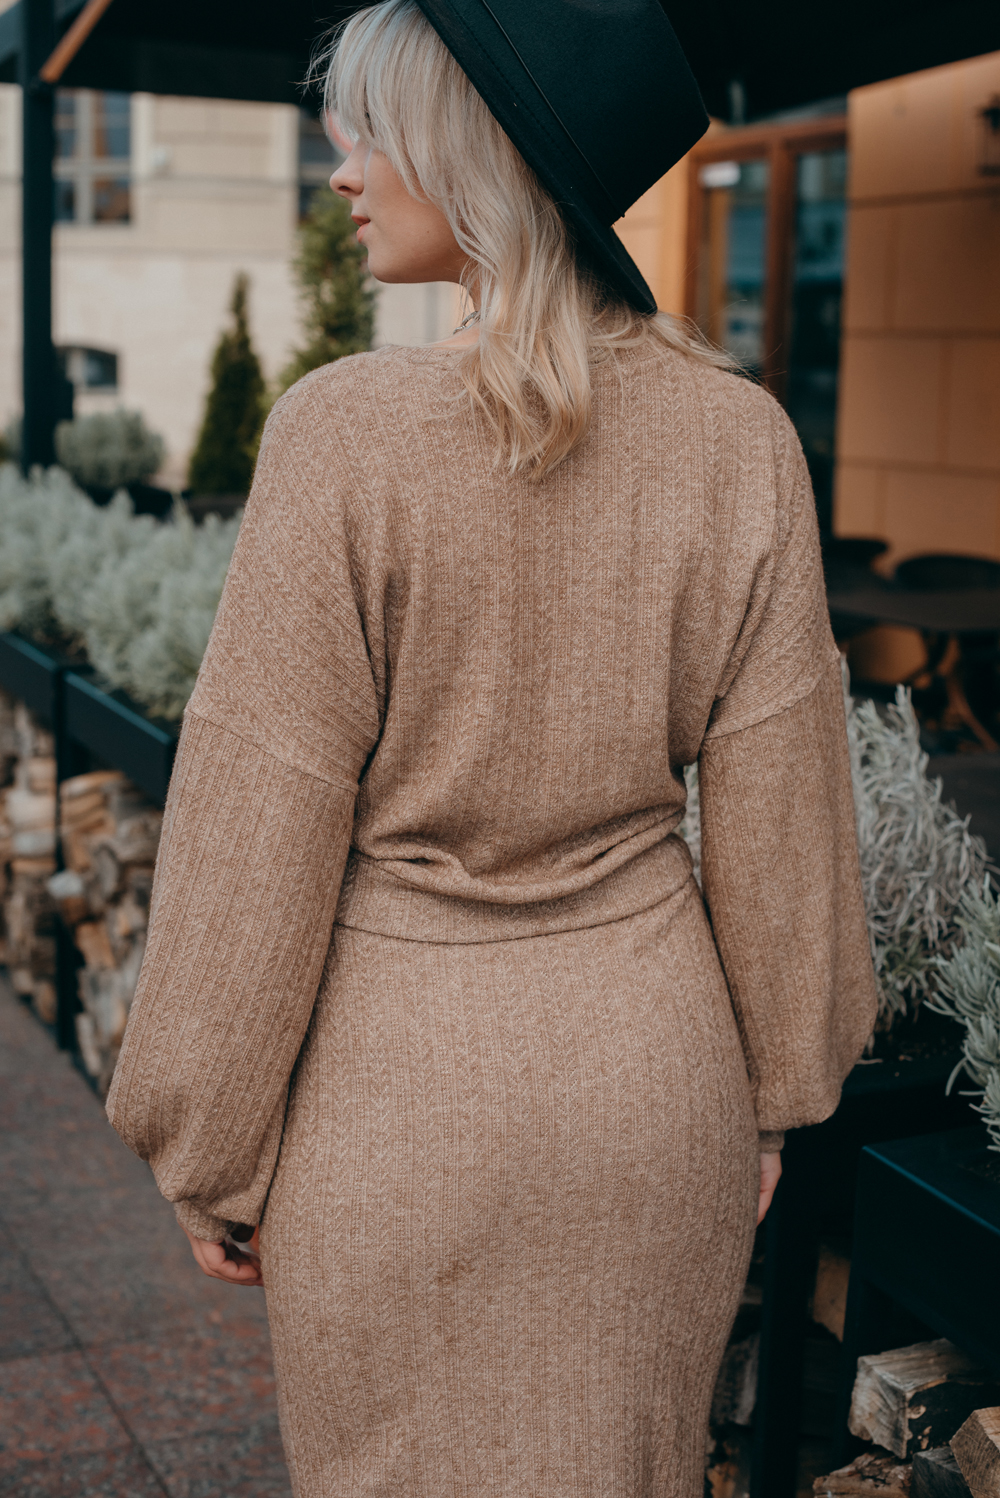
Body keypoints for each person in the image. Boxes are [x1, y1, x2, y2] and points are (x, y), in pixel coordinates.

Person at [107, 0, 878, 1493]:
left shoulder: (340, 434)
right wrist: (781, 1090)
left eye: (376, 128)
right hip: (654, 1103)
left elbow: (259, 807)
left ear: (477, 158)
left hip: (393, 1110)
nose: (344, 165)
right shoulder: (743, 440)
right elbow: (787, 801)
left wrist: (203, 1141)